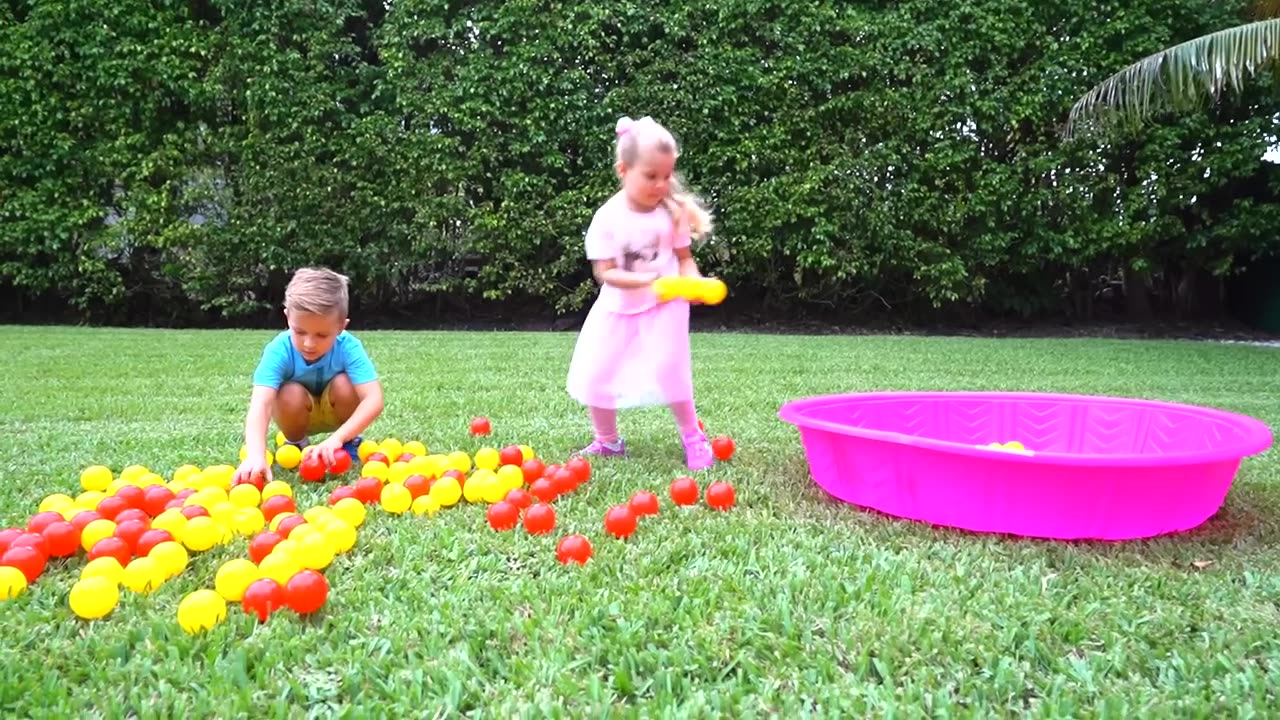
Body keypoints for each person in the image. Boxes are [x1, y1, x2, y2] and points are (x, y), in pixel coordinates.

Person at [566, 115, 718, 470]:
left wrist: (692, 282)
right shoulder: (607, 218)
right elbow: (606, 273)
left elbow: (684, 258)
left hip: (665, 305)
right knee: (598, 371)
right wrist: (648, 282)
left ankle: (693, 437)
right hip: (619, 304)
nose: (661, 184)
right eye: (651, 176)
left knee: (671, 369)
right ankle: (607, 442)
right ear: (624, 169)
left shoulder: (671, 212)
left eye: (666, 176)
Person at [233, 267, 384, 484]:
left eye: (322, 335)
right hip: (296, 413)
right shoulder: (278, 350)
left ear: (342, 326)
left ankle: (348, 443)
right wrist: (255, 454)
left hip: (337, 411)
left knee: (345, 384)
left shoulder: (349, 347)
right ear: (287, 318)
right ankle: (296, 443)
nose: (309, 343)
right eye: (300, 331)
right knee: (288, 392)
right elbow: (261, 404)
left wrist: (337, 439)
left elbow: (374, 399)